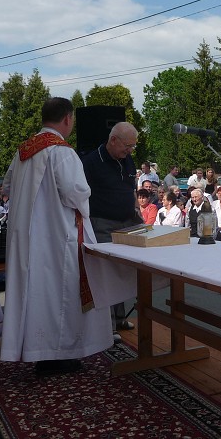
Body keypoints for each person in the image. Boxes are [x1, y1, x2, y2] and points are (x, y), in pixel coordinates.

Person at [1, 97, 112, 375]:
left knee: (37, 293)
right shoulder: (61, 151)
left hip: (29, 237)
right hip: (57, 235)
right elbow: (76, 192)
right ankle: (58, 355)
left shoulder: (23, 151)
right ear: (67, 119)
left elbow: (7, 186)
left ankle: (38, 351)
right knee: (60, 293)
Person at [82, 122, 141, 336]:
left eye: (133, 147)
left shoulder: (127, 159)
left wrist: (137, 211)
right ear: (113, 140)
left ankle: (120, 318)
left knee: (127, 270)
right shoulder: (90, 162)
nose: (130, 151)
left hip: (129, 222)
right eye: (127, 146)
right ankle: (108, 326)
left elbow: (130, 189)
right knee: (107, 273)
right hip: (102, 223)